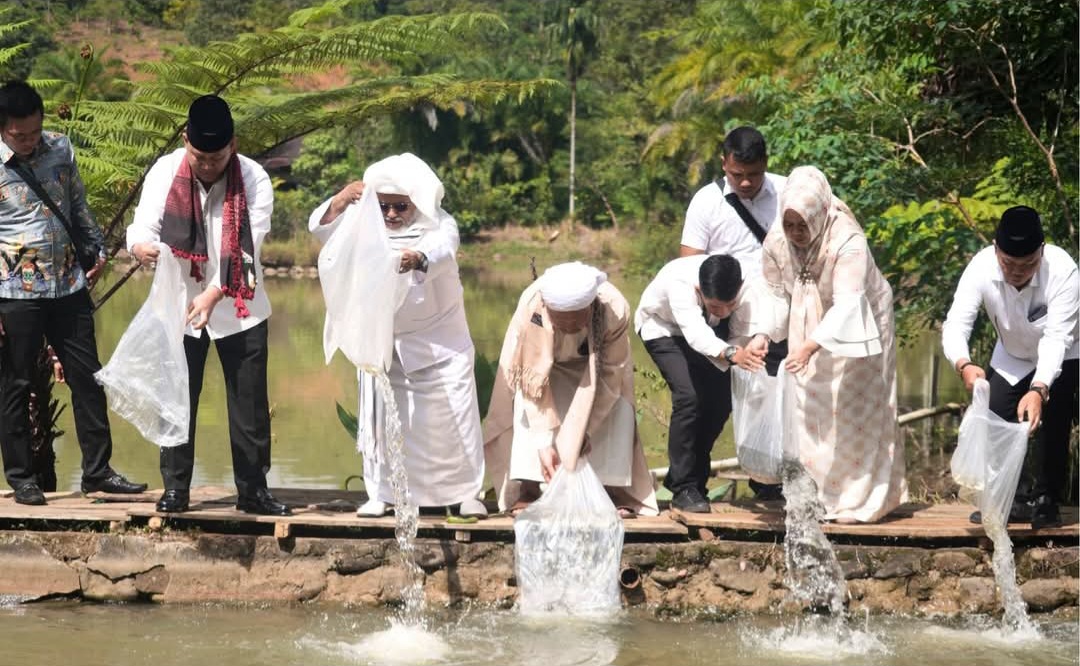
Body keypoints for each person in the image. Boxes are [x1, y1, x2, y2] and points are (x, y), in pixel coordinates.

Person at [127, 94, 289, 516]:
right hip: (179, 303)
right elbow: (143, 226)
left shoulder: (253, 179)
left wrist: (215, 292)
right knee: (176, 395)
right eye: (200, 157)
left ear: (232, 146)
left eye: (216, 158)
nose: (208, 166)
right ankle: (176, 489)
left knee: (249, 402)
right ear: (186, 142)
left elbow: (248, 249)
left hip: (240, 306)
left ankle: (254, 491)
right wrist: (140, 247)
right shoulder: (165, 172)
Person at [309, 153, 487, 518]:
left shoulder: (439, 225)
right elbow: (322, 231)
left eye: (400, 207)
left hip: (440, 347)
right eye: (384, 206)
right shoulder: (363, 224)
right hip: (383, 343)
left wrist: (417, 258)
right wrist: (342, 200)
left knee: (453, 425)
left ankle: (466, 494)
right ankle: (382, 494)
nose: (390, 215)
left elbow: (442, 249)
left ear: (417, 203)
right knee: (381, 422)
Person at [0, 80, 146, 505]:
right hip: (14, 291)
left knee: (88, 376)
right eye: (18, 135)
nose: (28, 142)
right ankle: (22, 478)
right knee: (16, 383)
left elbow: (76, 204)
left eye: (33, 132)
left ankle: (98, 472)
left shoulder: (60, 147)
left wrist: (96, 249)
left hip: (67, 284)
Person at [754, 165, 907, 523]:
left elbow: (849, 304)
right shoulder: (777, 240)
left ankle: (859, 499)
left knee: (854, 409)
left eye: (802, 226)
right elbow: (775, 294)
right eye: (789, 224)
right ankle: (818, 496)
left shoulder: (848, 241)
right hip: (805, 322)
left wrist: (810, 346)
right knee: (809, 408)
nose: (795, 233)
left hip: (859, 325)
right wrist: (762, 334)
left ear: (819, 214)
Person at [484, 262, 659, 518]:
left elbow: (611, 373)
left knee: (619, 404)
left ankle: (611, 490)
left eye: (575, 321)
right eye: (560, 320)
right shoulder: (533, 306)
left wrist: (585, 430)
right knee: (523, 401)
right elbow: (532, 377)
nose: (567, 327)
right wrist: (545, 443)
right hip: (540, 370)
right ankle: (529, 490)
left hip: (597, 369)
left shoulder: (614, 308)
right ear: (547, 307)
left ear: (590, 307)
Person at [942, 205, 1079, 529]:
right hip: (1012, 354)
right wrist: (964, 364)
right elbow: (956, 324)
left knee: (1054, 416)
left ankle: (1047, 498)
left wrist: (1039, 388)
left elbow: (1057, 338)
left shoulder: (1064, 271)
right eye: (1008, 263)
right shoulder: (980, 267)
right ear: (995, 249)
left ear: (1041, 253)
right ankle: (1011, 497)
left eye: (1027, 264)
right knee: (994, 411)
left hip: (1066, 352)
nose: (1017, 272)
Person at [679, 125, 788, 499]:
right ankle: (690, 486)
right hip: (722, 315)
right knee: (709, 404)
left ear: (766, 165)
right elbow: (689, 265)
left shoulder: (787, 192)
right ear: (724, 163)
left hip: (777, 317)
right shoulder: (706, 202)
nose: (745, 183)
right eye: (736, 175)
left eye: (753, 175)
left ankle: (769, 482)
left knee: (775, 399)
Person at [635, 254, 767, 513]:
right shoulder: (680, 283)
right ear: (699, 290)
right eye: (717, 307)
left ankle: (688, 478)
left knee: (720, 402)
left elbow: (738, 331)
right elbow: (695, 333)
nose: (725, 312)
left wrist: (745, 347)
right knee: (689, 398)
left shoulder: (746, 284)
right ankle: (685, 487)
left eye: (730, 305)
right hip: (664, 329)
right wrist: (732, 354)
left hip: (711, 336)